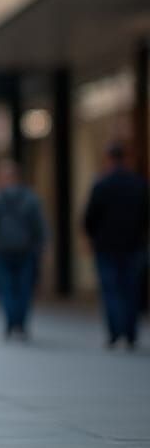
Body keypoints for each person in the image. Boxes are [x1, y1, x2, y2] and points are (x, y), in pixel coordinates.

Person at [83, 141, 149, 349]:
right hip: (133, 244)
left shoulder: (102, 185)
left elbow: (89, 217)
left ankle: (115, 332)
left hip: (106, 246)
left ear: (109, 159)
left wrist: (93, 237)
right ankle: (130, 334)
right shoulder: (139, 184)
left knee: (111, 289)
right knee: (131, 289)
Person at [0, 160, 47, 340]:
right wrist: (41, 246)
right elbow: (39, 226)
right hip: (25, 250)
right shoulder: (30, 198)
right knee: (24, 288)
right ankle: (20, 323)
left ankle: (12, 322)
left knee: (7, 288)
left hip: (2, 250)